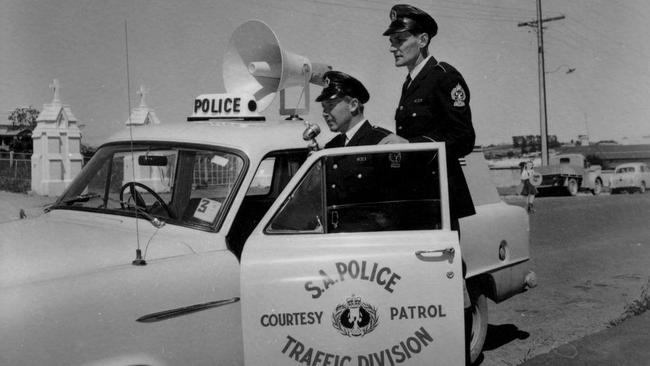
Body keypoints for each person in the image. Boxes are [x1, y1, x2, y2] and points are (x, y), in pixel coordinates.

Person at [380, 5, 476, 363]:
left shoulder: (444, 77)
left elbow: (463, 137)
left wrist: (412, 144)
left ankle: (460, 356)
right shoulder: (410, 82)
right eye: (391, 40)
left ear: (422, 40)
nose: (393, 46)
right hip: (416, 197)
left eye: (400, 39)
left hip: (441, 197)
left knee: (449, 277)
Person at [316, 70, 391, 148]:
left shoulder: (382, 142)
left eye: (330, 105)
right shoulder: (331, 146)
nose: (324, 113)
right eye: (324, 107)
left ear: (353, 105)